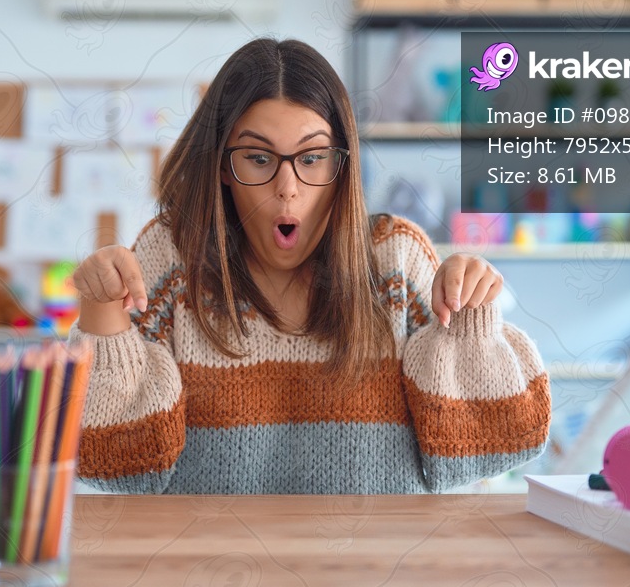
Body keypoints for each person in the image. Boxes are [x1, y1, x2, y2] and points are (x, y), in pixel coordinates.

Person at [70, 37, 551, 494]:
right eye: (258, 159)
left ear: (342, 166)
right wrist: (102, 316)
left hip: (380, 576)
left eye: (313, 158)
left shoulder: (396, 259)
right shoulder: (172, 259)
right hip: (213, 577)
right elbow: (117, 468)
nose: (288, 187)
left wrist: (472, 319)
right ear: (221, 165)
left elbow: (485, 450)